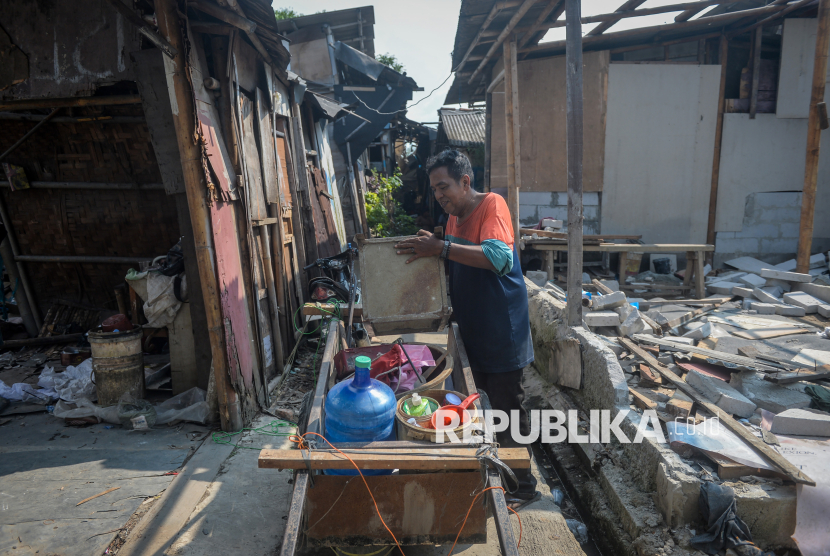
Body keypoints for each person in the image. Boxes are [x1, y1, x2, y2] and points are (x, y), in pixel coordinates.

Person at [394, 149, 538, 510]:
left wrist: (441, 248)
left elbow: (498, 258)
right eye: (434, 189)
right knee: (476, 405)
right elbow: (454, 262)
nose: (439, 195)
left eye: (444, 186)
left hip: (501, 329)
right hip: (473, 328)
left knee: (506, 409)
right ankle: (491, 475)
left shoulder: (491, 205)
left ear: (465, 181)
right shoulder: (453, 219)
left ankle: (523, 486)